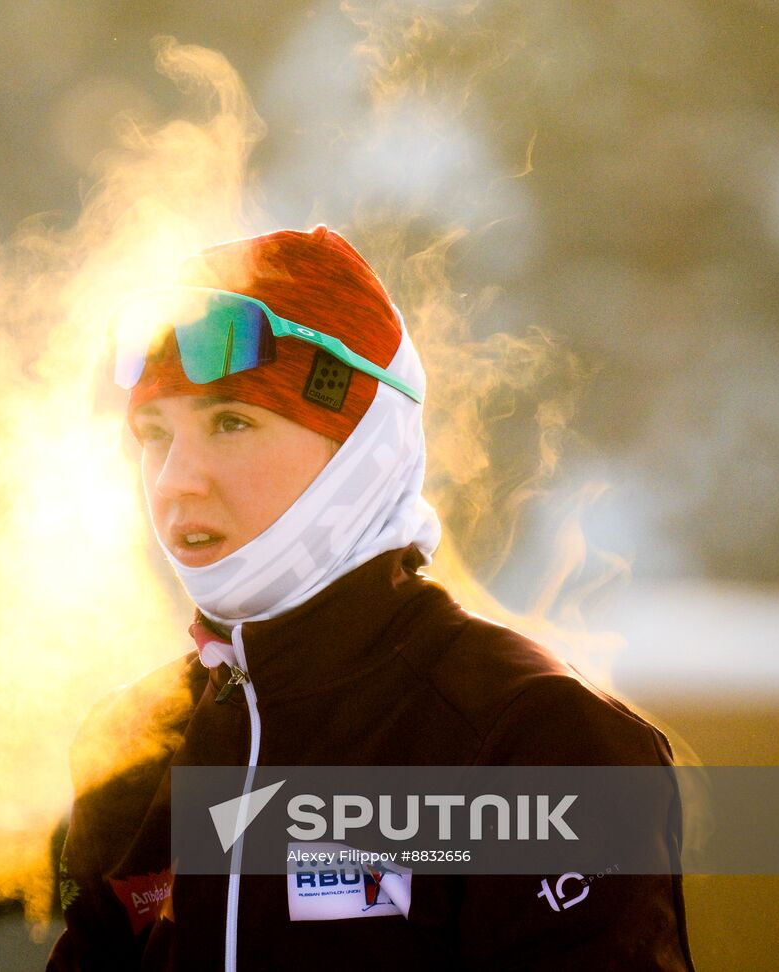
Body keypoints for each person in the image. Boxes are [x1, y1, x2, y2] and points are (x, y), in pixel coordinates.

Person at [46, 226, 694, 971]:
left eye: (231, 422)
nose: (174, 481)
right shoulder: (130, 747)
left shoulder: (534, 739)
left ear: (358, 449)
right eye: (154, 435)